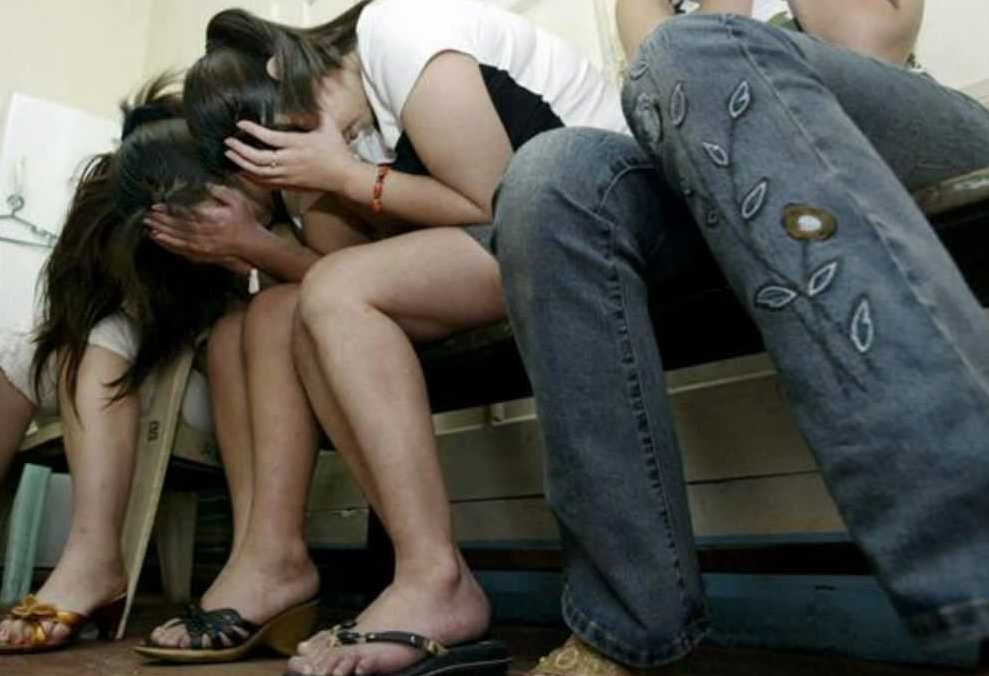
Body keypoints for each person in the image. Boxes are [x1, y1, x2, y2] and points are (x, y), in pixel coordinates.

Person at [493, 0, 989, 673]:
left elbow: (869, 40)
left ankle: (975, 552)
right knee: (550, 175)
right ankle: (626, 624)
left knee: (689, 52)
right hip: (715, 162)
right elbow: (658, 116)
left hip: (892, 127)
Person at [146, 0, 629, 673]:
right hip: (518, 239)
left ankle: (433, 577)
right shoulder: (344, 123)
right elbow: (333, 265)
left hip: (594, 213)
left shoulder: (396, 31)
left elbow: (496, 201)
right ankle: (318, 562)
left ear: (282, 69)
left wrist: (338, 178)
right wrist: (298, 205)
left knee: (331, 291)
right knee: (281, 311)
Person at [0, 76, 246, 653]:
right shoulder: (108, 230)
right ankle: (90, 560)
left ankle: (94, 558)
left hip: (200, 385)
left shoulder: (239, 200)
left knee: (99, 332)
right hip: (119, 369)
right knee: (19, 348)